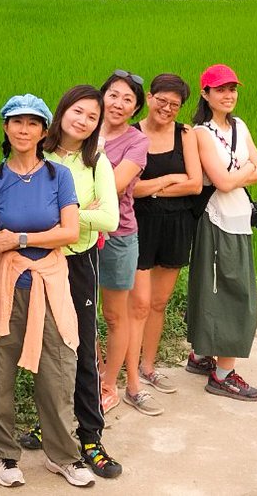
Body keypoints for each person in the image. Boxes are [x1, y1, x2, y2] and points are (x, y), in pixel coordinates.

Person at [0, 94, 95, 489]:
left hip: (50, 282)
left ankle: (63, 456)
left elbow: (71, 231)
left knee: (59, 370)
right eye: (16, 122)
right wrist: (22, 241)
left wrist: (20, 238)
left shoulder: (59, 176)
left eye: (33, 123)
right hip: (7, 286)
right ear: (6, 128)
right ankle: (5, 454)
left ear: (44, 131)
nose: (24, 130)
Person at [19, 85, 122, 479]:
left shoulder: (96, 162)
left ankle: (91, 437)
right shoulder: (33, 155)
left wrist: (65, 213)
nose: (83, 120)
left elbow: (110, 219)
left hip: (77, 263)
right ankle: (50, 423)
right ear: (62, 112)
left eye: (92, 117)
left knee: (79, 350)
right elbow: (18, 211)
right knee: (42, 349)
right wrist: (80, 212)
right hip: (34, 264)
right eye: (77, 111)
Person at [186, 63, 257, 401]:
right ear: (206, 94)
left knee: (222, 286)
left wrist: (238, 175)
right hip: (216, 220)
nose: (228, 94)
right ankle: (222, 374)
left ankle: (201, 354)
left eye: (232, 88)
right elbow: (221, 182)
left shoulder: (240, 126)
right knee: (231, 292)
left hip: (239, 220)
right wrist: (242, 171)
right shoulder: (201, 133)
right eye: (220, 89)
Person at [131, 73, 202, 397]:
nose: (168, 108)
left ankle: (148, 367)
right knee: (140, 304)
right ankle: (130, 372)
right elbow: (131, 190)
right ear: (149, 98)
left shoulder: (184, 134)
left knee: (159, 303)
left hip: (176, 225)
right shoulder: (132, 135)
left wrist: (152, 188)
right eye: (162, 101)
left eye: (175, 105)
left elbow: (195, 184)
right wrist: (170, 179)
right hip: (140, 226)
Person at [96, 70, 156, 416]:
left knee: (114, 316)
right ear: (102, 96)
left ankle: (108, 384)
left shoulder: (136, 142)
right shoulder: (84, 128)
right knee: (80, 314)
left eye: (127, 99)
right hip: (79, 236)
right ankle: (89, 376)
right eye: (113, 95)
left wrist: (66, 204)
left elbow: (114, 187)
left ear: (135, 109)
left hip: (118, 236)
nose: (118, 103)